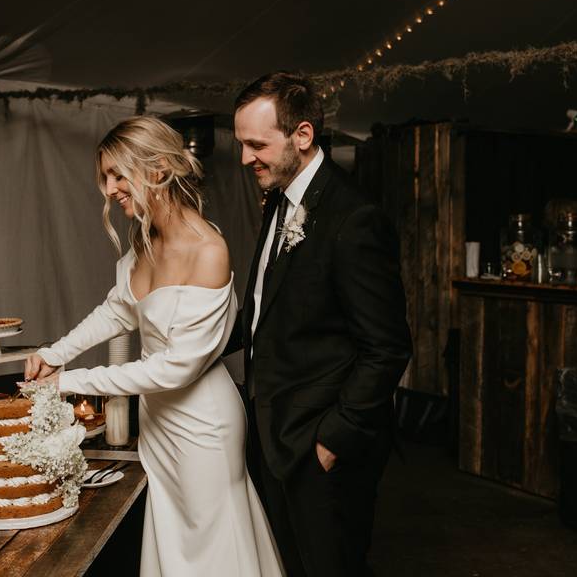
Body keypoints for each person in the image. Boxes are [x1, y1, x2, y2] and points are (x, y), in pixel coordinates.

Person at [24, 116, 283, 577]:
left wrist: (71, 381)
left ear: (159, 169)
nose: (108, 189)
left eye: (118, 175)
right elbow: (117, 311)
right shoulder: (145, 240)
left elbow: (174, 369)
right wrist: (53, 353)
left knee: (209, 548)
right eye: (105, 177)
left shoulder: (208, 249)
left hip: (203, 425)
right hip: (159, 422)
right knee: (172, 540)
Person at [228, 71, 413, 577]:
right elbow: (266, 308)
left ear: (302, 136)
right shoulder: (278, 201)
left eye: (256, 144)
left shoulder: (354, 219)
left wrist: (333, 441)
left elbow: (388, 347)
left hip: (322, 447)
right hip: (273, 434)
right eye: (242, 144)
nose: (246, 158)